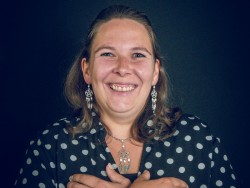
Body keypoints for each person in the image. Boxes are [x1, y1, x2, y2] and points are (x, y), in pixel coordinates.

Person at [14, 4, 242, 188]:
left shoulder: (198, 140)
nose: (123, 68)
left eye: (137, 55)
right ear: (86, 70)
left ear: (154, 72)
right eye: (107, 53)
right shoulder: (50, 147)